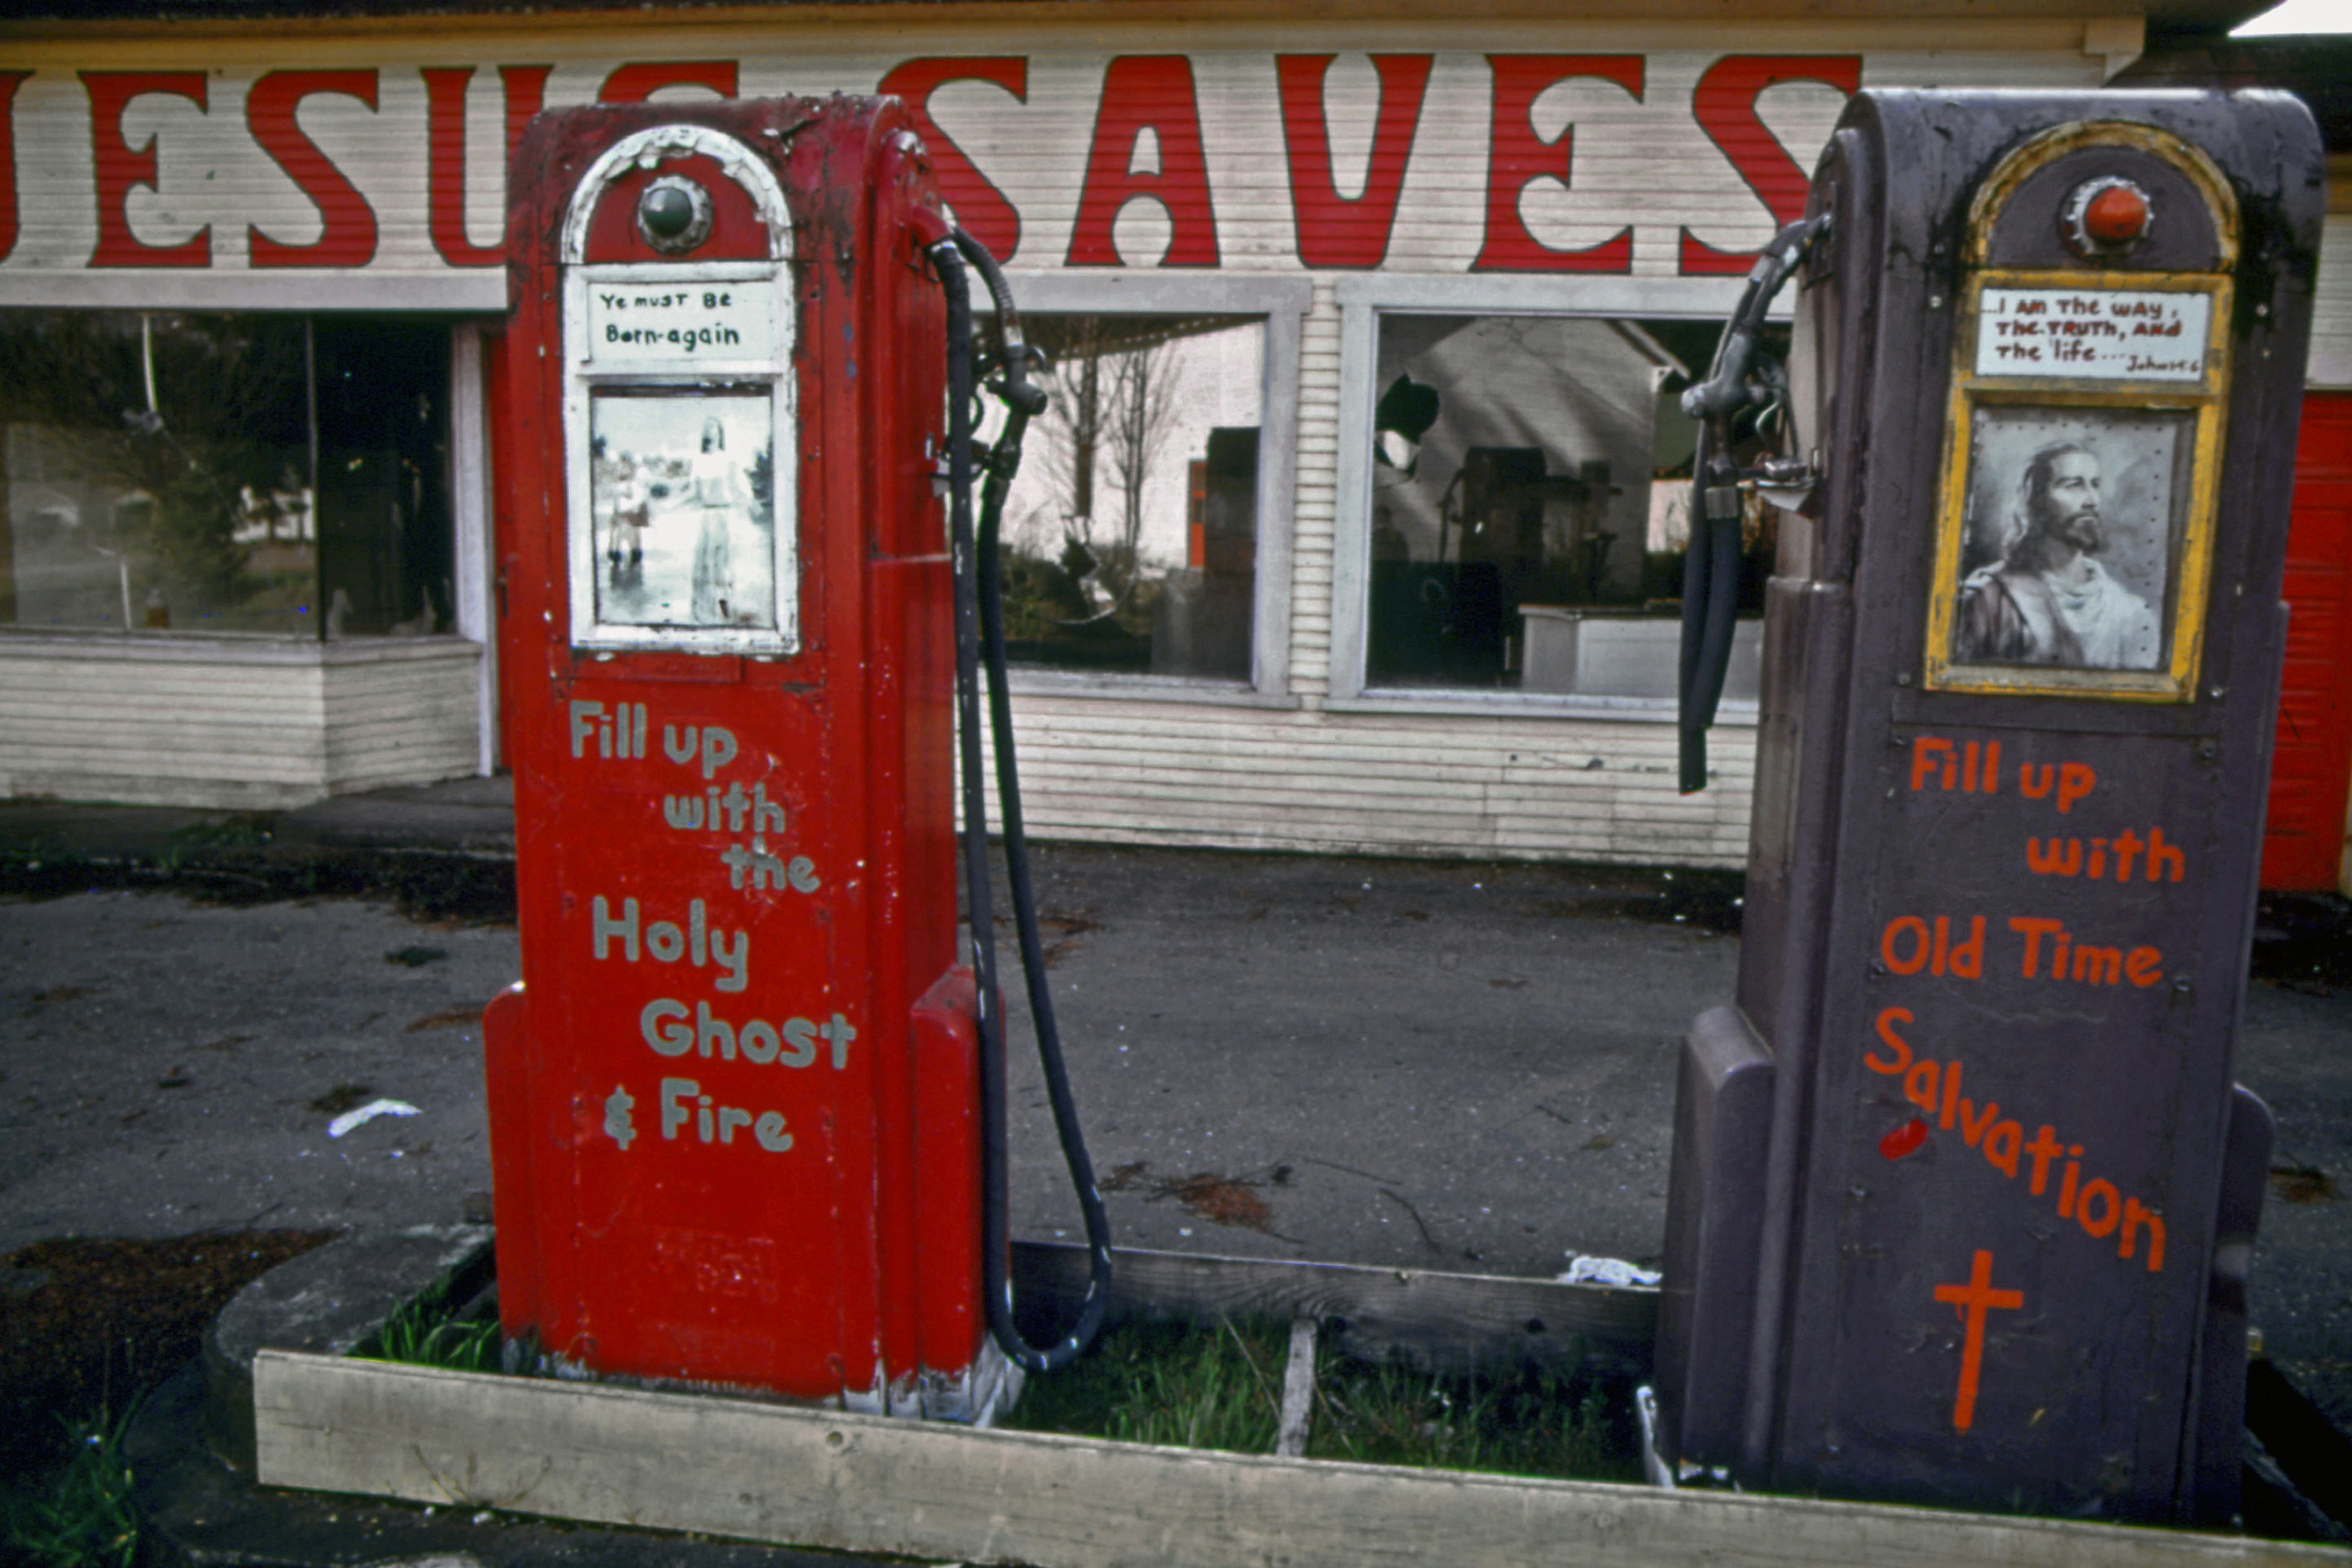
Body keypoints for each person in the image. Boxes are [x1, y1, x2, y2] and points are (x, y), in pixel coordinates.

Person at [1953, 442, 2158, 670]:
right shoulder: (1988, 599)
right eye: (2073, 486)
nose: (2092, 500)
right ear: (2036, 501)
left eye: (2095, 485)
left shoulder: (2130, 613)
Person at [687, 417, 744, 623]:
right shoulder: (697, 460)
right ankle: (705, 612)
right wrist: (668, 505)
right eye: (706, 428)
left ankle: (726, 603)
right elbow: (693, 493)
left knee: (723, 563)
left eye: (713, 428)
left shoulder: (728, 459)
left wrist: (752, 503)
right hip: (707, 517)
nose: (709, 432)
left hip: (724, 515)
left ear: (720, 433)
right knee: (704, 564)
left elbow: (737, 487)